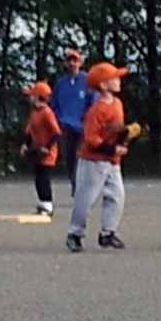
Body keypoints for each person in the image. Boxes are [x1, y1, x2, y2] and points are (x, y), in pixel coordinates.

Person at [66, 60, 133, 252]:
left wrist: (124, 135)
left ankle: (107, 233)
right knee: (85, 199)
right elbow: (91, 139)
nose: (119, 80)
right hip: (92, 162)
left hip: (112, 162)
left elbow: (115, 129)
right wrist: (113, 150)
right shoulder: (96, 110)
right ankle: (75, 233)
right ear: (103, 85)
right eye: (114, 78)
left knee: (117, 196)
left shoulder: (118, 103)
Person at [49, 48, 91, 188]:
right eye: (69, 61)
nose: (72, 63)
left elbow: (93, 101)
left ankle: (80, 187)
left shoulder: (87, 81)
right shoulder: (60, 84)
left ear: (80, 63)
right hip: (65, 126)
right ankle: (75, 185)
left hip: (82, 127)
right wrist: (59, 119)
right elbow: (54, 104)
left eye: (75, 60)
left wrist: (87, 119)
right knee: (68, 160)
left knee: (79, 158)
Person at [20, 79, 61, 215]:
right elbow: (29, 131)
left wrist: (47, 147)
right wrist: (25, 144)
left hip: (48, 152)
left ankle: (48, 205)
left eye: (32, 95)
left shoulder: (47, 113)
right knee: (38, 177)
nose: (29, 98)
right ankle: (43, 202)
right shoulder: (34, 113)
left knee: (43, 177)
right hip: (37, 150)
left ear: (38, 96)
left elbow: (56, 133)